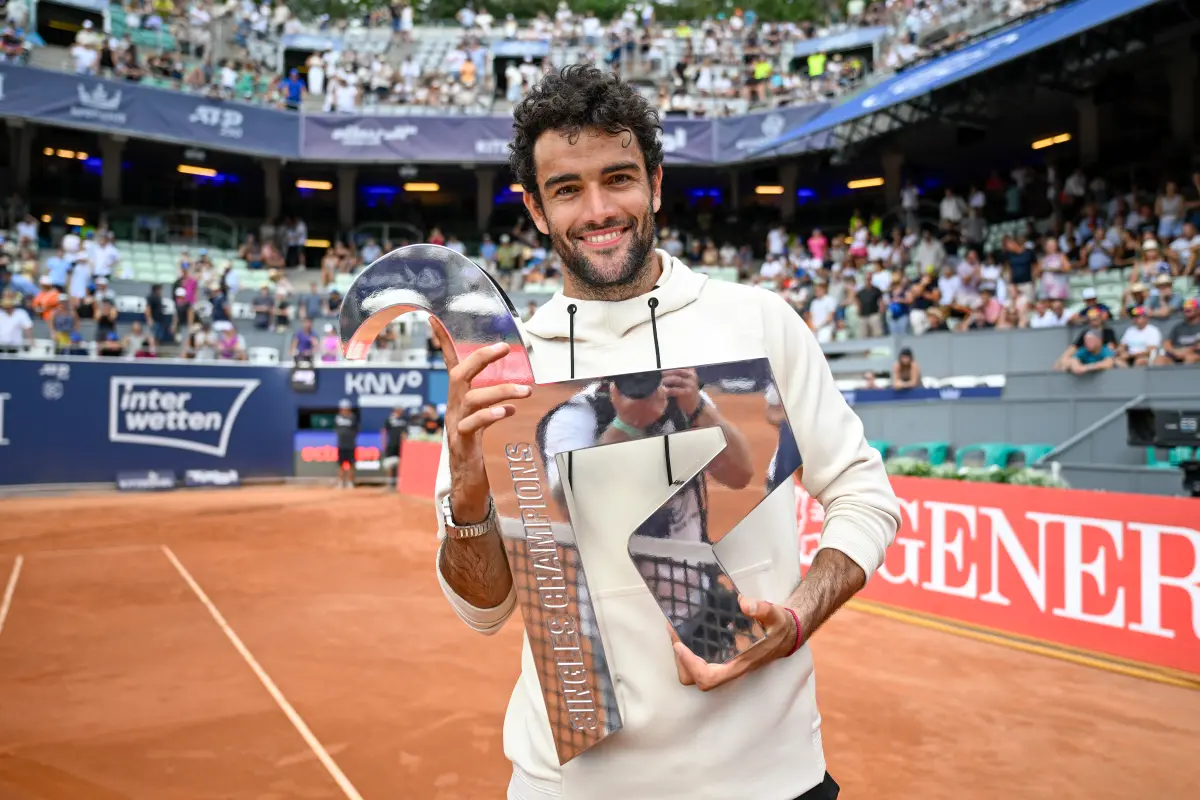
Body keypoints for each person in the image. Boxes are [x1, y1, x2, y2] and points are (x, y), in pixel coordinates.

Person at [430, 66, 899, 800]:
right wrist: (467, 481)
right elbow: (485, 608)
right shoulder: (507, 365)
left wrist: (797, 618)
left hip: (768, 779)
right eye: (566, 189)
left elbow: (864, 496)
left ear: (654, 183)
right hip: (569, 787)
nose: (598, 210)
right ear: (536, 209)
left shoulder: (758, 319)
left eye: (617, 178)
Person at [380, 406, 408, 491]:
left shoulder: (405, 420)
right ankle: (390, 484)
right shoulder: (389, 419)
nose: (400, 411)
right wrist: (383, 443)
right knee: (390, 464)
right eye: (399, 409)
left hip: (402, 446)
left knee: (401, 465)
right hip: (392, 444)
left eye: (401, 410)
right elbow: (384, 431)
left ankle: (399, 484)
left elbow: (406, 433)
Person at [334, 399, 359, 489]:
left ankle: (350, 482)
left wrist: (351, 437)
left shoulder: (353, 418)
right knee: (340, 465)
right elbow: (336, 429)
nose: (344, 410)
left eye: (346, 408)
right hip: (341, 445)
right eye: (343, 408)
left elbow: (357, 430)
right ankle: (341, 482)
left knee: (351, 464)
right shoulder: (337, 418)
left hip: (350, 445)